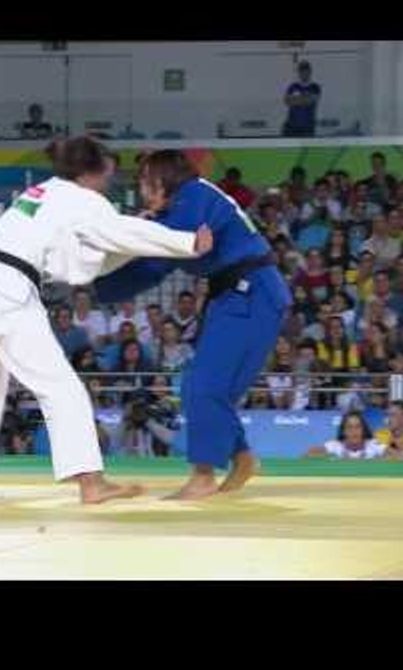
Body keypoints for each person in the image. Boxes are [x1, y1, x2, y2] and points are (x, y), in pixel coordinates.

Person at [0, 137, 212, 504]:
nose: (112, 179)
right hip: (8, 293)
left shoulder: (40, 193)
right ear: (92, 170)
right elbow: (120, 235)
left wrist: (129, 232)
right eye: (109, 171)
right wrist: (187, 242)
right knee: (62, 388)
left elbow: (82, 261)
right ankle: (91, 483)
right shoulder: (84, 200)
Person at [95, 149, 292, 499]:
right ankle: (242, 456)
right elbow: (153, 267)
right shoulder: (178, 212)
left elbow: (180, 241)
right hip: (231, 297)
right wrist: (99, 283)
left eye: (145, 182)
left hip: (252, 293)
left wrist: (140, 231)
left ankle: (203, 475)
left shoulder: (197, 194)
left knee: (204, 385)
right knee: (198, 388)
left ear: (162, 179)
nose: (142, 191)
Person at [305, 411, 385, 460]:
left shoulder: (373, 444)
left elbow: (396, 456)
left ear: (364, 430)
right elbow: (309, 454)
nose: (354, 431)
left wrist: (375, 460)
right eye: (349, 427)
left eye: (358, 427)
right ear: (343, 431)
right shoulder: (335, 445)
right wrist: (330, 459)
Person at [282, 61, 321, 138]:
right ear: (299, 73)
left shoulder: (315, 87)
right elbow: (287, 101)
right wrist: (304, 98)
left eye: (306, 71)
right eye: (302, 71)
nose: (304, 74)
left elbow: (310, 101)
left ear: (310, 72)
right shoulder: (293, 86)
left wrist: (296, 100)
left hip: (307, 127)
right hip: (292, 126)